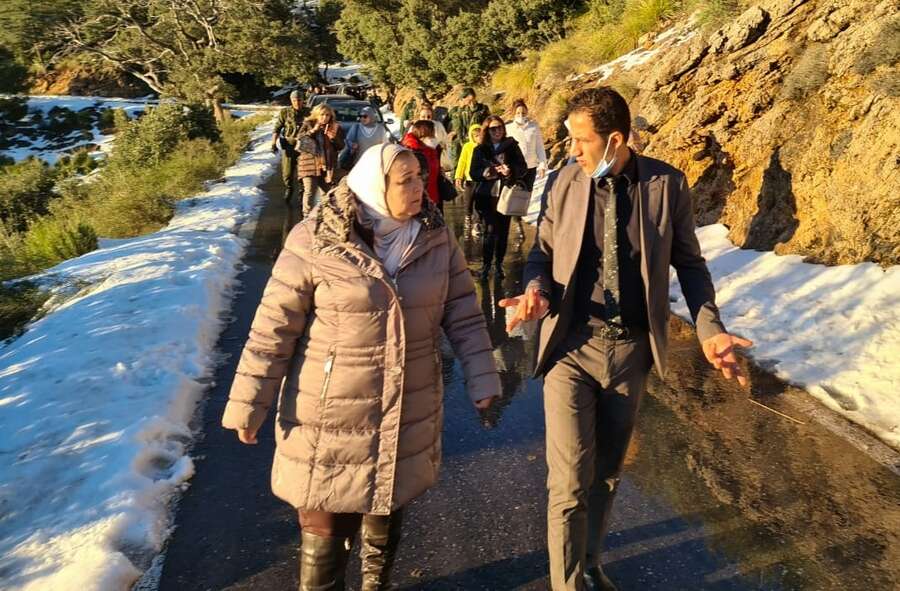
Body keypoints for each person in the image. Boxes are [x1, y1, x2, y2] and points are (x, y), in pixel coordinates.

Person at [500, 87, 753, 591]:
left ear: (615, 140)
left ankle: (591, 564)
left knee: (607, 474)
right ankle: (567, 583)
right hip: (571, 348)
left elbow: (690, 266)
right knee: (568, 481)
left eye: (582, 140)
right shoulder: (564, 182)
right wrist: (535, 290)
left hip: (631, 351)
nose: (572, 150)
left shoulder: (666, 184)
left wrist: (711, 330)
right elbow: (541, 255)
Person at [222, 143, 500, 591]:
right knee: (324, 527)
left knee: (387, 500)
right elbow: (273, 328)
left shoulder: (434, 238)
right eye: (405, 180)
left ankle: (376, 584)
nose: (419, 187)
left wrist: (483, 376)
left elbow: (463, 313)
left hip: (406, 404)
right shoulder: (315, 239)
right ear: (375, 186)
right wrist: (249, 404)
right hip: (330, 413)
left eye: (420, 176)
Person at [470, 115, 527, 282]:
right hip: (487, 195)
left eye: (500, 127)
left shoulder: (511, 146)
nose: (497, 131)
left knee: (503, 231)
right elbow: (473, 172)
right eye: (493, 128)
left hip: (506, 194)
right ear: (487, 131)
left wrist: (510, 171)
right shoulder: (480, 149)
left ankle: (499, 264)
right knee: (489, 231)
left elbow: (522, 167)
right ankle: (486, 265)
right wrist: (486, 173)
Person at [505, 99, 548, 242]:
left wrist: (542, 164)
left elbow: (539, 147)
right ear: (513, 113)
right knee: (516, 194)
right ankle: (517, 222)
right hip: (515, 167)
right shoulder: (509, 129)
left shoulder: (533, 127)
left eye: (523, 112)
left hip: (531, 166)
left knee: (526, 194)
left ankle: (521, 217)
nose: (521, 115)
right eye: (518, 113)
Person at [295, 104, 345, 219]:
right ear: (316, 115)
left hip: (327, 166)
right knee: (309, 191)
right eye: (322, 115)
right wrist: (313, 131)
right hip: (309, 164)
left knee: (328, 192)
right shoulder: (308, 124)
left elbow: (341, 146)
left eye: (327, 115)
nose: (325, 117)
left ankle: (325, 215)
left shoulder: (334, 127)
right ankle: (306, 216)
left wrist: (333, 138)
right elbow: (300, 139)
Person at [272, 90, 309, 245]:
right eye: (294, 100)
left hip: (304, 146)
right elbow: (277, 128)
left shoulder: (308, 112)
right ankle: (289, 188)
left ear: (303, 100)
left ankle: (302, 192)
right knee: (287, 172)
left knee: (303, 171)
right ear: (291, 101)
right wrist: (273, 143)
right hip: (288, 145)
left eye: (299, 100)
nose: (297, 102)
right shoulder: (285, 112)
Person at [401, 120, 442, 208]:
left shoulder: (430, 148)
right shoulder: (413, 151)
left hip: (432, 195)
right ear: (424, 133)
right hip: (420, 198)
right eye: (432, 133)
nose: (434, 137)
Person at [448, 87, 490, 169]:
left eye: (464, 98)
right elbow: (456, 125)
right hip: (463, 138)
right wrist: (454, 133)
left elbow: (488, 122)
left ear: (472, 97)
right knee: (456, 153)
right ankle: (456, 174)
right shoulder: (458, 110)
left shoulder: (483, 109)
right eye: (463, 99)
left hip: (478, 138)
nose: (463, 100)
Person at [454, 123, 483, 238]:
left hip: (481, 180)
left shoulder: (485, 146)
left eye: (480, 135)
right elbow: (462, 162)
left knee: (479, 203)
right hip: (470, 180)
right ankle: (467, 217)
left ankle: (477, 223)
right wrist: (458, 176)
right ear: (472, 136)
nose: (478, 137)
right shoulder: (467, 147)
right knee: (469, 201)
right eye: (476, 136)